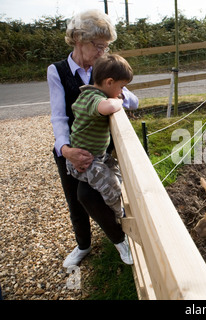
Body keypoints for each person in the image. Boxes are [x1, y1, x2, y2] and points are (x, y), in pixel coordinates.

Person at [47, 10, 138, 267]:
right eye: (98, 46)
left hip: (99, 148)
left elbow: (130, 98)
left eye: (106, 47)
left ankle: (119, 238)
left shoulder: (101, 68)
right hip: (71, 147)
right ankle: (84, 245)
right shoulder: (58, 71)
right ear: (78, 38)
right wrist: (65, 149)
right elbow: (59, 117)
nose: (102, 52)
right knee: (74, 200)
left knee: (88, 194)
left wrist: (118, 97)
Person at [66, 54, 132, 222]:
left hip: (98, 156)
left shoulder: (90, 94)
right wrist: (119, 101)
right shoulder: (92, 98)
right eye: (121, 87)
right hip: (85, 162)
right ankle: (120, 215)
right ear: (109, 82)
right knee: (110, 185)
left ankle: (124, 202)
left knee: (118, 173)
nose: (121, 92)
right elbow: (109, 106)